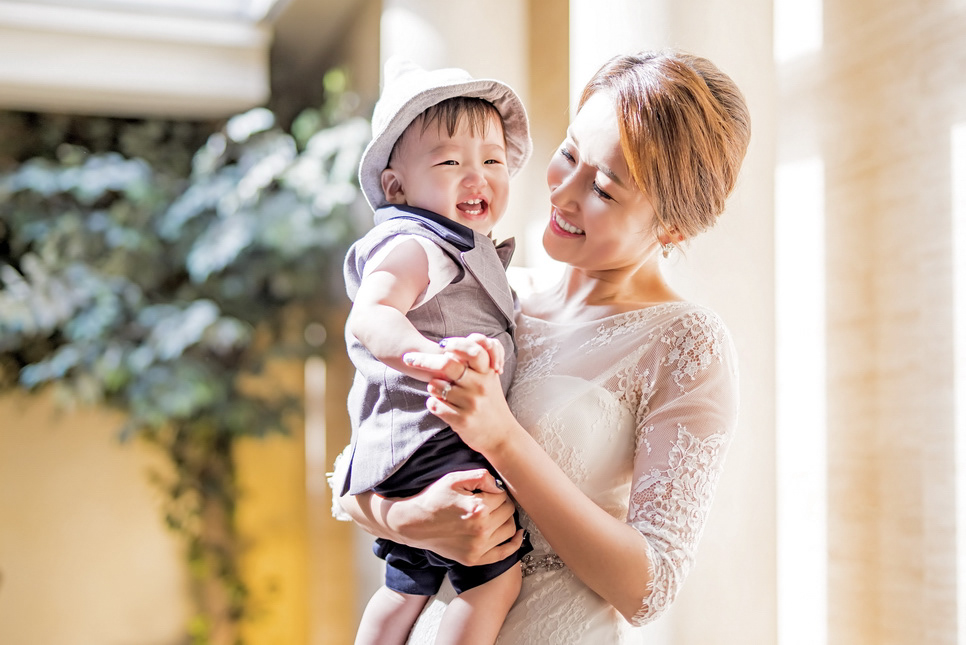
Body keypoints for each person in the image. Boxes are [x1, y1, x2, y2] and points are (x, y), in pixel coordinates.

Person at [332, 49, 751, 643]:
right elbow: (359, 465)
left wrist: (501, 438)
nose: (563, 193)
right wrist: (409, 518)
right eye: (569, 154)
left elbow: (649, 588)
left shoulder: (685, 343)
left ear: (673, 226)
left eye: (602, 189)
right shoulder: (495, 297)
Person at [333, 57, 534, 645]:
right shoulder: (417, 244)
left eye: (492, 161)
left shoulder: (459, 248)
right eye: (450, 162)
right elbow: (372, 315)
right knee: (494, 580)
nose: (477, 177)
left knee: (404, 586)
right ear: (396, 187)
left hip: (413, 450)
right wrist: (428, 357)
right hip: (437, 440)